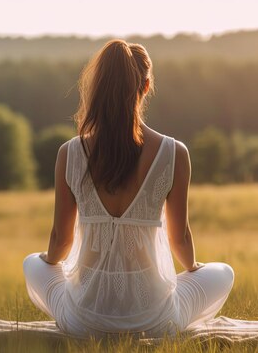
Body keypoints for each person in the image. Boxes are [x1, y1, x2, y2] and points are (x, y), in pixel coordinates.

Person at [23, 39, 234, 338]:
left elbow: (60, 242)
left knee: (32, 262)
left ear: (99, 87)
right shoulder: (174, 153)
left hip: (83, 321)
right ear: (145, 87)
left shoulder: (69, 153)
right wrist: (194, 266)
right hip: (156, 322)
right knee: (223, 272)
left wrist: (48, 264)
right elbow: (180, 241)